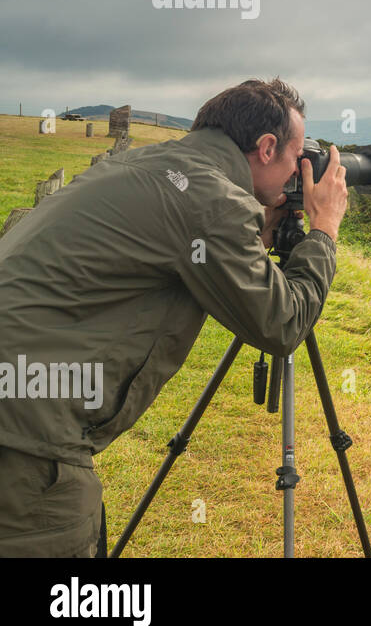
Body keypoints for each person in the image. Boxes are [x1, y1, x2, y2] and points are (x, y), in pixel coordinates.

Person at [0, 78, 349, 557]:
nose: (299, 170)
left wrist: (249, 239)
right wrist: (324, 231)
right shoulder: (211, 200)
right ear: (266, 148)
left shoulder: (144, 164)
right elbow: (282, 324)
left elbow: (162, 247)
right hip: (25, 444)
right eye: (296, 157)